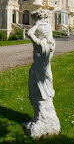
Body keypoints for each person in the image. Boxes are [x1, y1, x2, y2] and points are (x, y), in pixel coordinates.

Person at [23, 8, 60, 139]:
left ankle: (41, 121)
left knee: (37, 94)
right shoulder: (51, 44)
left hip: (39, 74)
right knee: (39, 96)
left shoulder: (42, 45)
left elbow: (29, 33)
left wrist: (37, 25)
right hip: (42, 71)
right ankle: (42, 119)